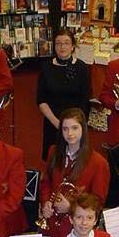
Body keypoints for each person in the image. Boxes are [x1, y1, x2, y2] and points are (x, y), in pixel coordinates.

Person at [39, 108, 109, 237]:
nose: (69, 133)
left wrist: (71, 206)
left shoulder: (98, 162)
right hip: (52, 224)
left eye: (74, 128)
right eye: (65, 129)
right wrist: (46, 203)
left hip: (78, 229)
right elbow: (46, 182)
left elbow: (97, 201)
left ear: (83, 129)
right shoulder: (53, 152)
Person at [36, 28, 91, 157]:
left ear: (72, 46)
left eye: (66, 43)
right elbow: (41, 100)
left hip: (76, 124)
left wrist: (75, 125)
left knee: (76, 159)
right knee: (54, 159)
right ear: (54, 46)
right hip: (53, 122)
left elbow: (85, 99)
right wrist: (57, 123)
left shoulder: (82, 68)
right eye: (58, 43)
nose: (62, 47)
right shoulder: (46, 67)